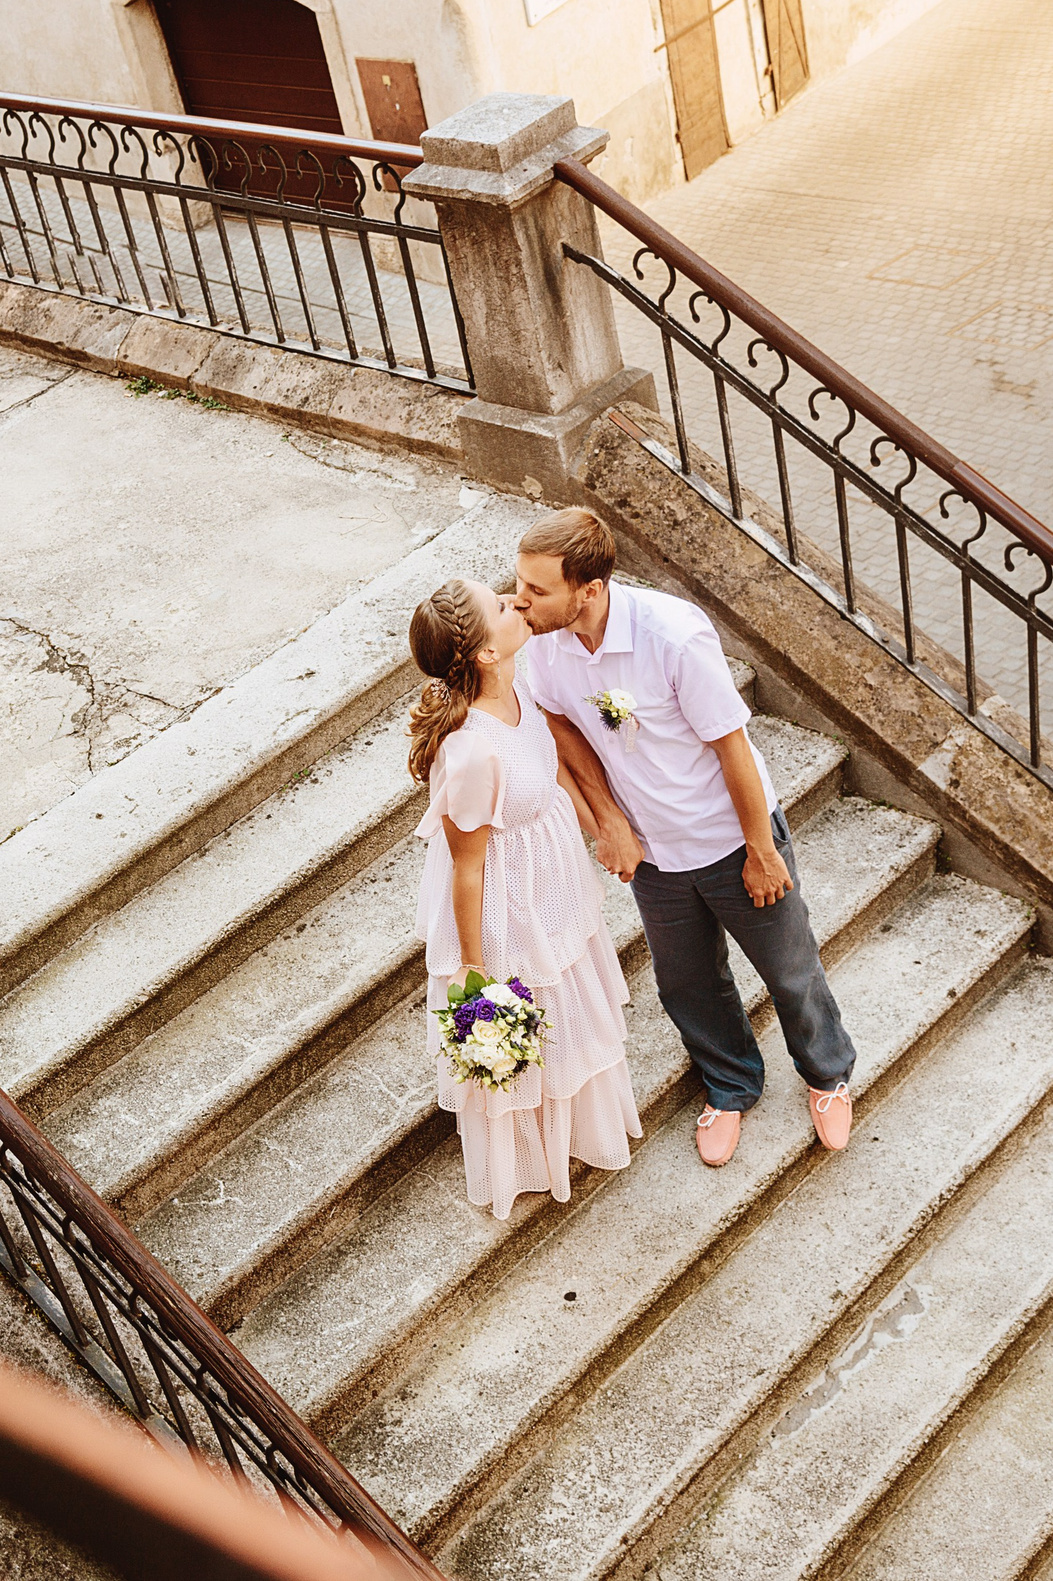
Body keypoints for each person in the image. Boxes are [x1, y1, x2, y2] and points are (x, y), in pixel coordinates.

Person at [515, 508, 855, 1167]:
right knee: (686, 981)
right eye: (520, 584)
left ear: (589, 589)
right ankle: (730, 1086)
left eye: (536, 589)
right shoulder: (545, 644)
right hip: (653, 854)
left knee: (789, 971)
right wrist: (607, 823)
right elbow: (559, 727)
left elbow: (730, 744)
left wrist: (760, 851)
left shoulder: (671, 633)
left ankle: (826, 1072)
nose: (519, 600)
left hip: (730, 837)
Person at [407, 576, 642, 1220]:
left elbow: (550, 767)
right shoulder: (473, 752)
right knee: (527, 1012)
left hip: (550, 877)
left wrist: (606, 830)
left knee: (569, 1002)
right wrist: (476, 969)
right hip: (504, 900)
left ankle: (571, 1131)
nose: (516, 602)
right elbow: (466, 867)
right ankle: (525, 1154)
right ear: (484, 652)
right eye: (501, 605)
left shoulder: (520, 683)